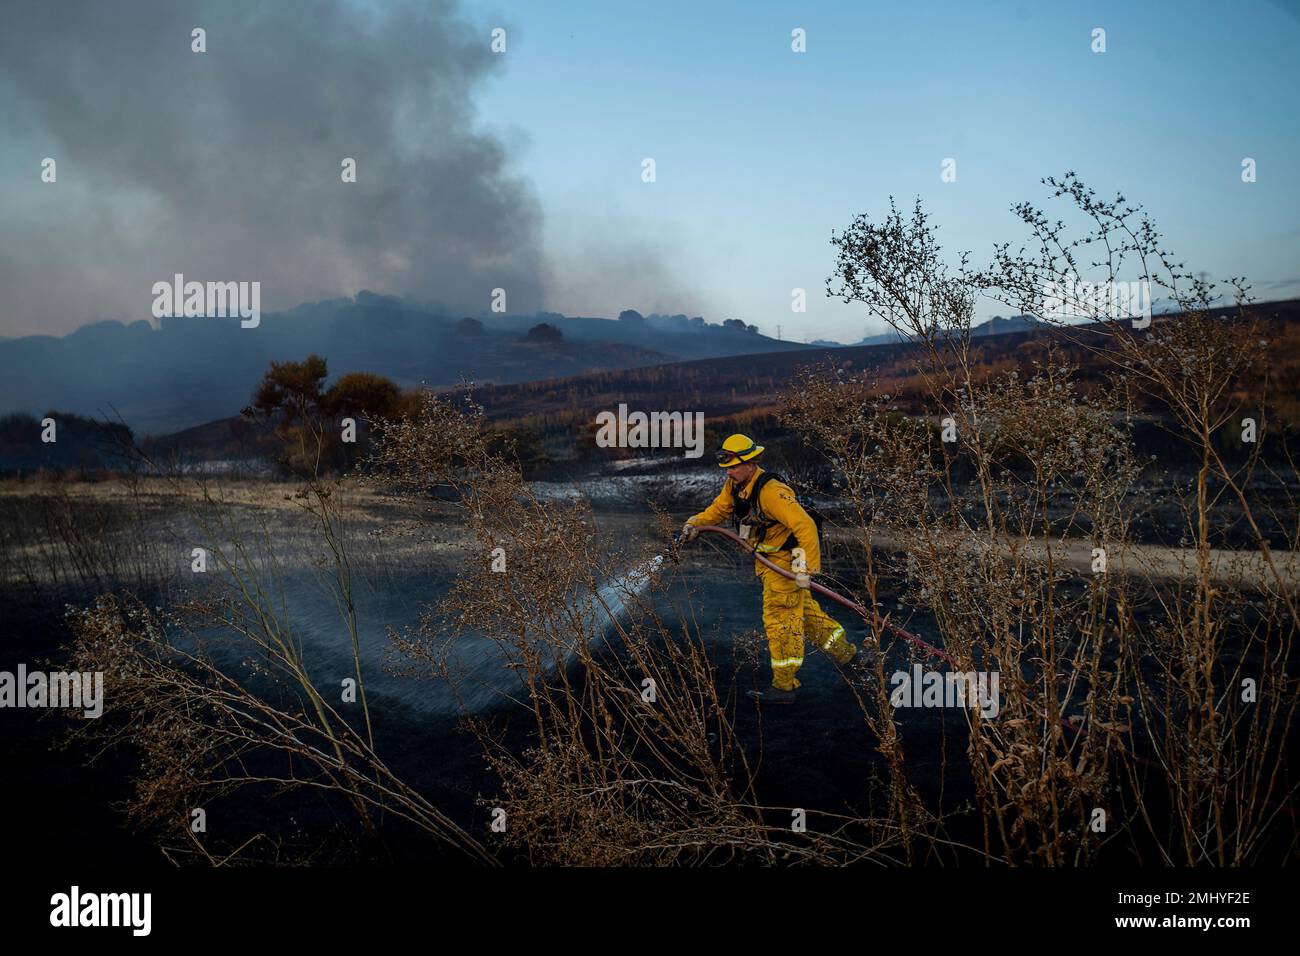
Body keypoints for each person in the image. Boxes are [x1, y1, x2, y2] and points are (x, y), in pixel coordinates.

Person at [681, 433, 858, 703]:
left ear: (750, 463)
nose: (728, 472)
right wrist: (696, 523)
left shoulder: (771, 491)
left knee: (780, 621)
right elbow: (720, 509)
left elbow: (805, 526)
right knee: (807, 616)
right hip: (771, 560)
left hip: (788, 560)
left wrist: (805, 569)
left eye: (733, 466)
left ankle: (784, 686)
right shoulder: (737, 486)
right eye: (726, 467)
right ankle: (850, 656)